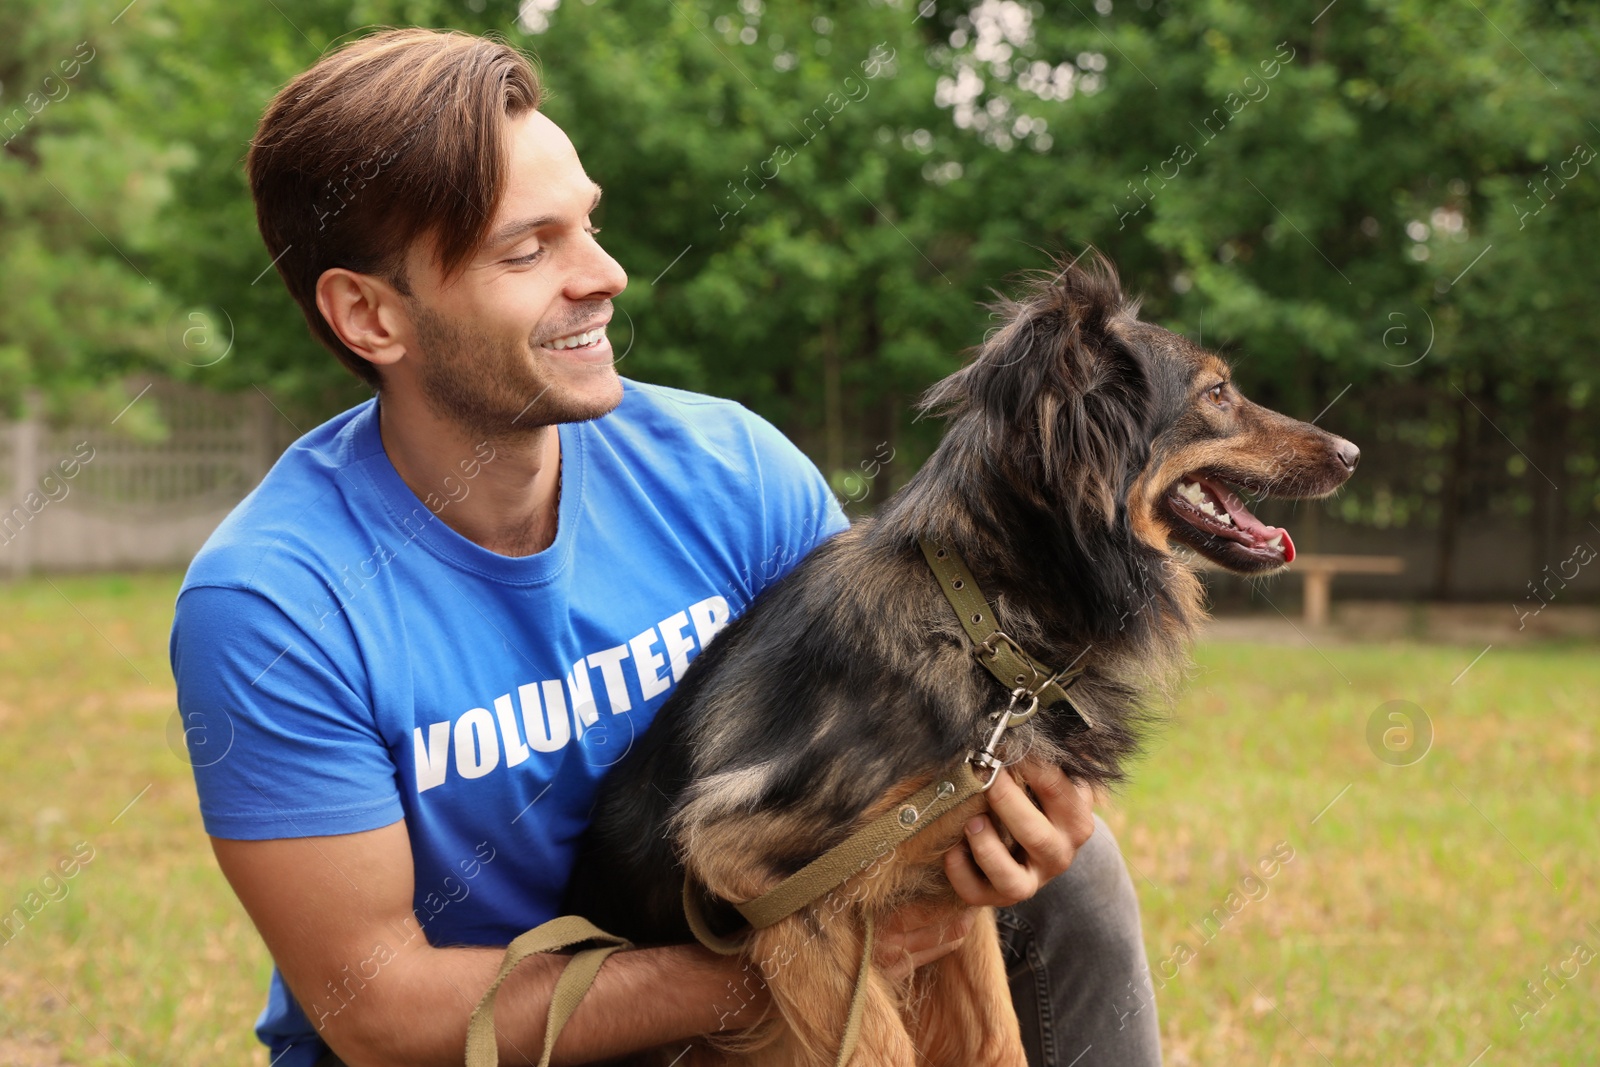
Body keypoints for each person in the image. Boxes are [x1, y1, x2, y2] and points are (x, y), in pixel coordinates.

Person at [170, 27, 1161, 1067]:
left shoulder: (728, 469)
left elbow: (915, 738)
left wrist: (1025, 823)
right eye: (526, 250)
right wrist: (781, 964)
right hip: (504, 1040)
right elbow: (383, 1011)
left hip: (721, 974)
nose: (603, 275)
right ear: (369, 315)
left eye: (587, 225)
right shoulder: (276, 604)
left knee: (1072, 883)